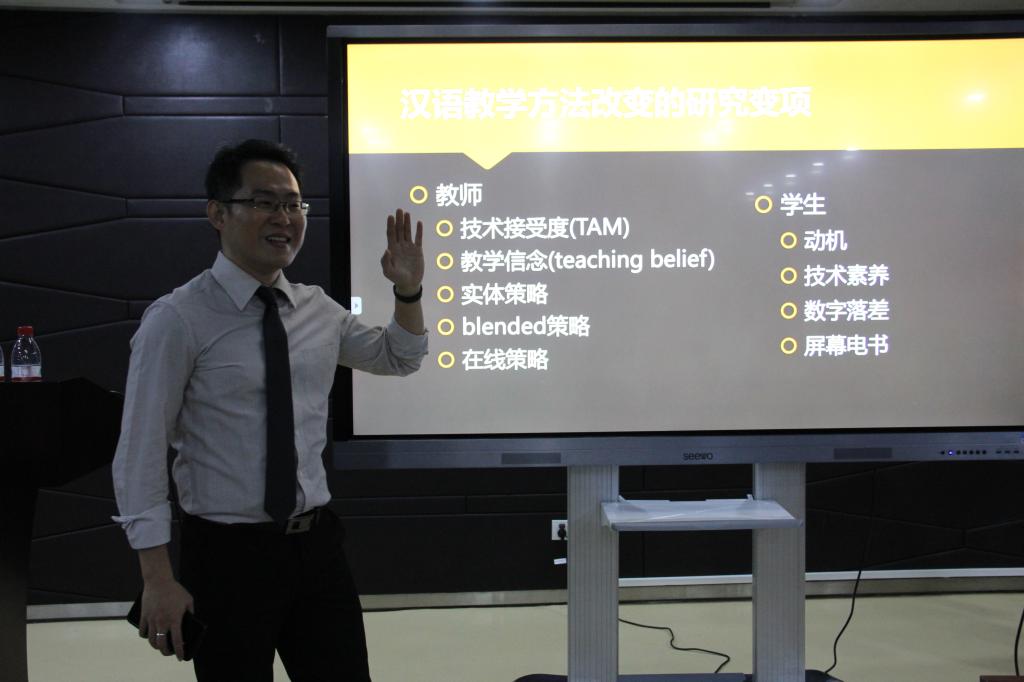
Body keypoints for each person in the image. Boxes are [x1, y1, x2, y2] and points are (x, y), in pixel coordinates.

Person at [111, 138, 427, 681]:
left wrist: (409, 291)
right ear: (218, 213)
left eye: (294, 204)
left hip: (316, 547)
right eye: (265, 202)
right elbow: (139, 455)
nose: (285, 218)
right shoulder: (178, 319)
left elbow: (399, 357)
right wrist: (157, 578)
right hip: (226, 556)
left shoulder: (316, 310)